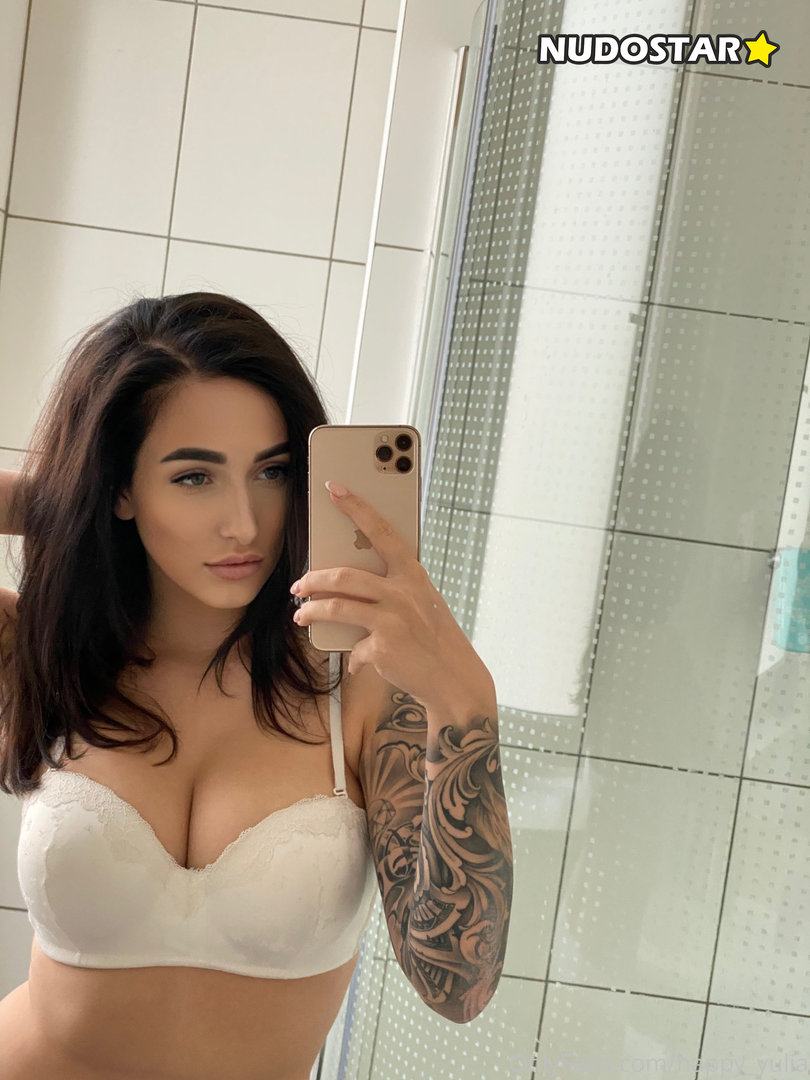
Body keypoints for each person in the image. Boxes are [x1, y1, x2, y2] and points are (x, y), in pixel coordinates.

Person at [0, 292, 513, 1080]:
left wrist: (465, 703)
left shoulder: (361, 688)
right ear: (121, 488)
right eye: (194, 477)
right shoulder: (45, 650)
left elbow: (459, 985)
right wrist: (63, 506)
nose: (243, 523)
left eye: (271, 472)